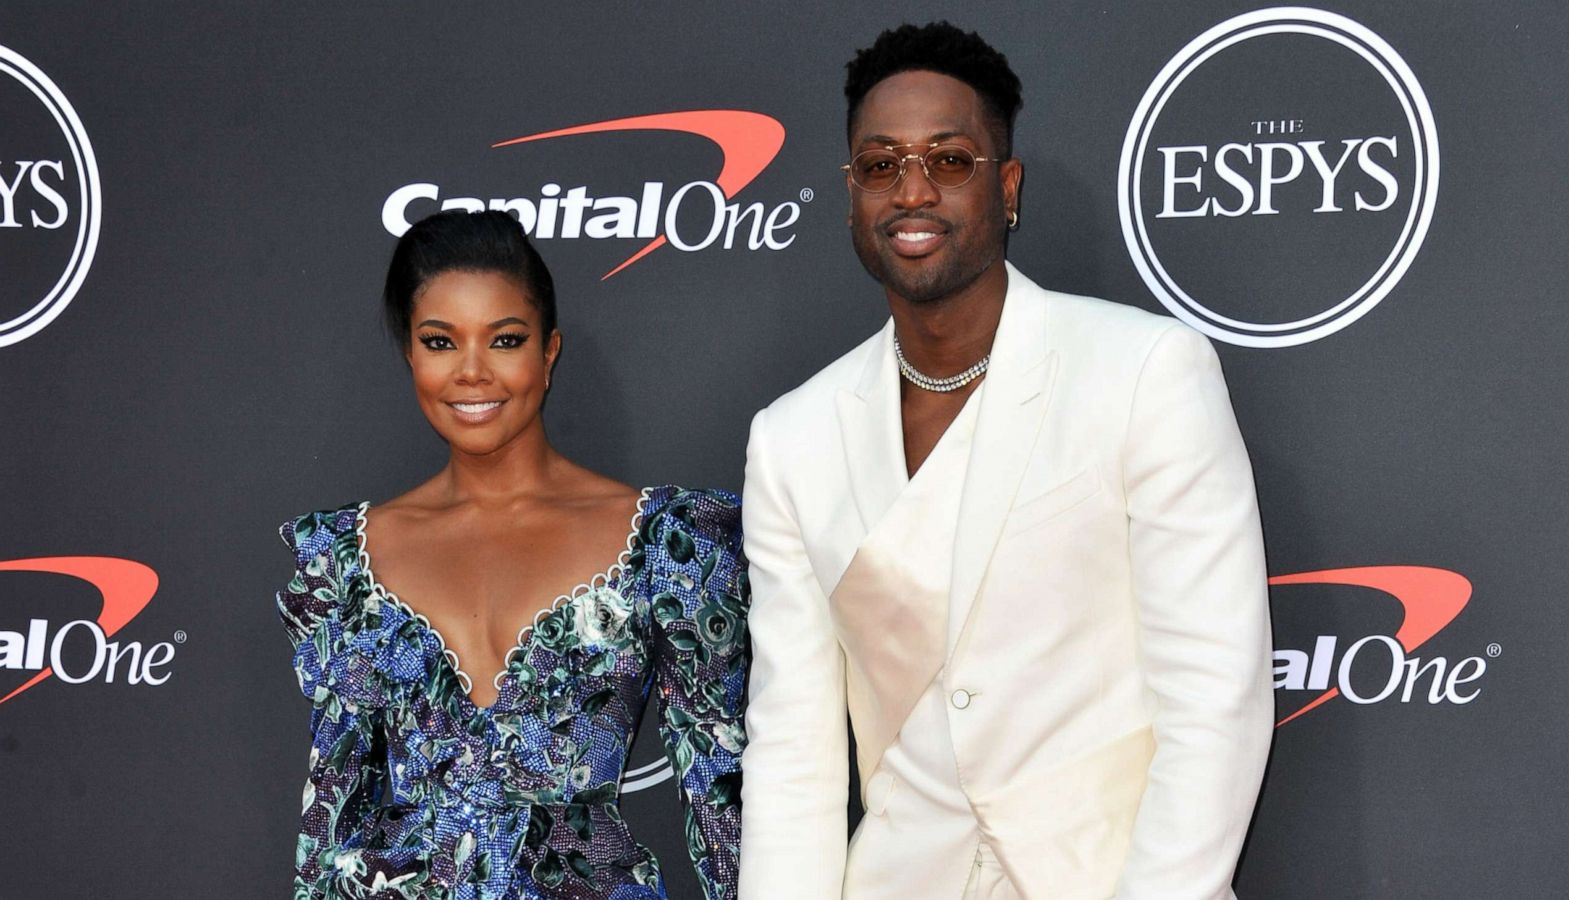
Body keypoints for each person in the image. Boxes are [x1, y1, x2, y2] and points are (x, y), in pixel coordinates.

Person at [738, 22, 1272, 900]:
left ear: (1007, 185)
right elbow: (794, 748)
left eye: (948, 160)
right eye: (881, 166)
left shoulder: (1142, 371)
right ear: (851, 196)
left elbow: (1216, 703)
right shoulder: (791, 437)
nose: (912, 191)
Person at [276, 210, 747, 899]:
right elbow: (331, 817)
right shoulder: (343, 562)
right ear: (411, 353)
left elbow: (722, 806)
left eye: (505, 339)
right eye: (440, 341)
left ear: (548, 352)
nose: (472, 372)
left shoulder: (668, 546)